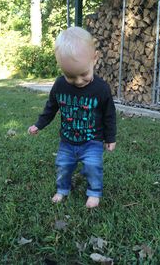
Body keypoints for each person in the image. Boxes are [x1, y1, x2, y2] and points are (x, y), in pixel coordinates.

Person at [28, 26, 116, 208]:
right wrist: (39, 124)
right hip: (67, 141)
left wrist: (110, 137)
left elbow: (109, 115)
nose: (78, 81)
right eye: (70, 76)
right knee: (63, 166)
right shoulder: (60, 86)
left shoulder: (101, 88)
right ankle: (62, 189)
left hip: (92, 140)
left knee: (93, 167)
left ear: (95, 59)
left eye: (84, 74)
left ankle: (94, 192)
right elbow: (50, 108)